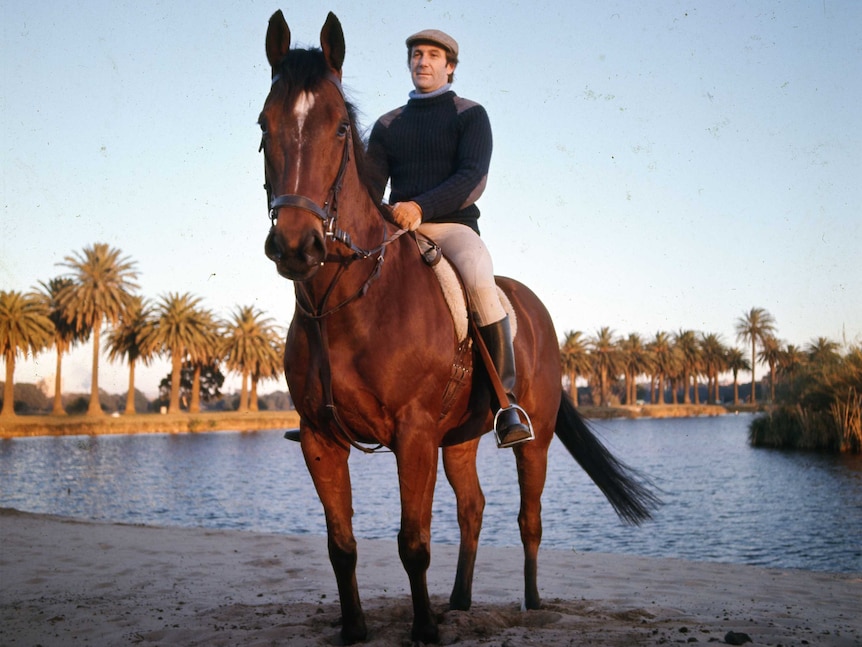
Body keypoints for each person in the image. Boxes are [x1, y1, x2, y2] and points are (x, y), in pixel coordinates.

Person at [366, 29, 532, 448]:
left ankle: (504, 402)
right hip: (397, 228)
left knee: (478, 277)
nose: (423, 61)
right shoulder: (387, 125)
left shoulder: (470, 114)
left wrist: (420, 206)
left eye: (433, 55)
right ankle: (330, 405)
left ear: (450, 66)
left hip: (452, 226)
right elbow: (369, 187)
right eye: (417, 54)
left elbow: (471, 178)